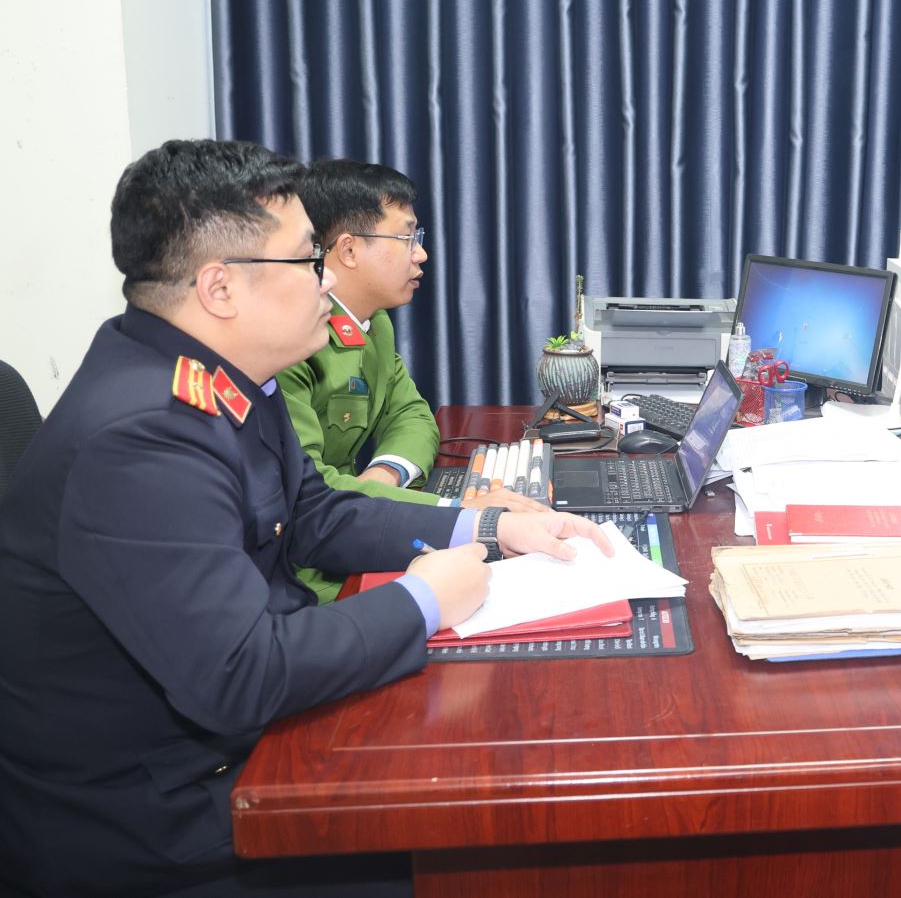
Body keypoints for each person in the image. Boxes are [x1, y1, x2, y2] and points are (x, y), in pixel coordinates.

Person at [0, 140, 609, 898]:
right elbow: (239, 672)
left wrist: (488, 531)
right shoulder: (140, 439)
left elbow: (314, 513)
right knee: (490, 844)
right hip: (159, 821)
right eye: (305, 260)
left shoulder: (221, 376)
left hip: (233, 752)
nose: (327, 281)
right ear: (220, 287)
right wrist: (423, 599)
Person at [277, 158, 545, 604]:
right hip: (310, 577)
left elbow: (412, 415)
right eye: (407, 238)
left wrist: (386, 474)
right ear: (348, 250)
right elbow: (311, 495)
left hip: (361, 526)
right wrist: (456, 511)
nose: (420, 254)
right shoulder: (286, 342)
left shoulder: (374, 324)